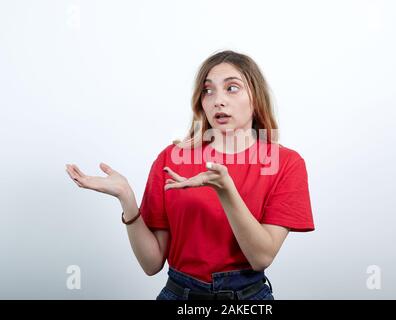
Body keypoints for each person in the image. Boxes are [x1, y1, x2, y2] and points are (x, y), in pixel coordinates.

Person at [65, 50, 315, 300]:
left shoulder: (286, 163)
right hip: (178, 294)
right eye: (208, 90)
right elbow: (151, 264)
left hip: (247, 298)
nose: (218, 100)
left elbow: (261, 257)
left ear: (256, 97)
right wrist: (127, 200)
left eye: (232, 88)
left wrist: (225, 189)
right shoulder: (171, 158)